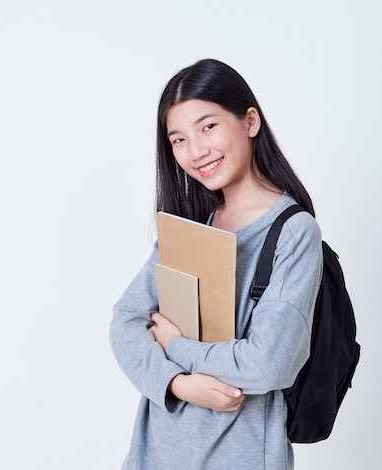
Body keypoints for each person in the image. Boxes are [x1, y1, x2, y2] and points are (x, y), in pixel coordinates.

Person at [109, 58, 324, 470]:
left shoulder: (293, 233)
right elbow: (125, 322)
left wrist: (174, 345)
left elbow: (267, 365)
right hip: (154, 453)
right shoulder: (190, 227)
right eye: (178, 139)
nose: (196, 151)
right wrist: (178, 385)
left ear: (250, 121)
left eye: (208, 126)